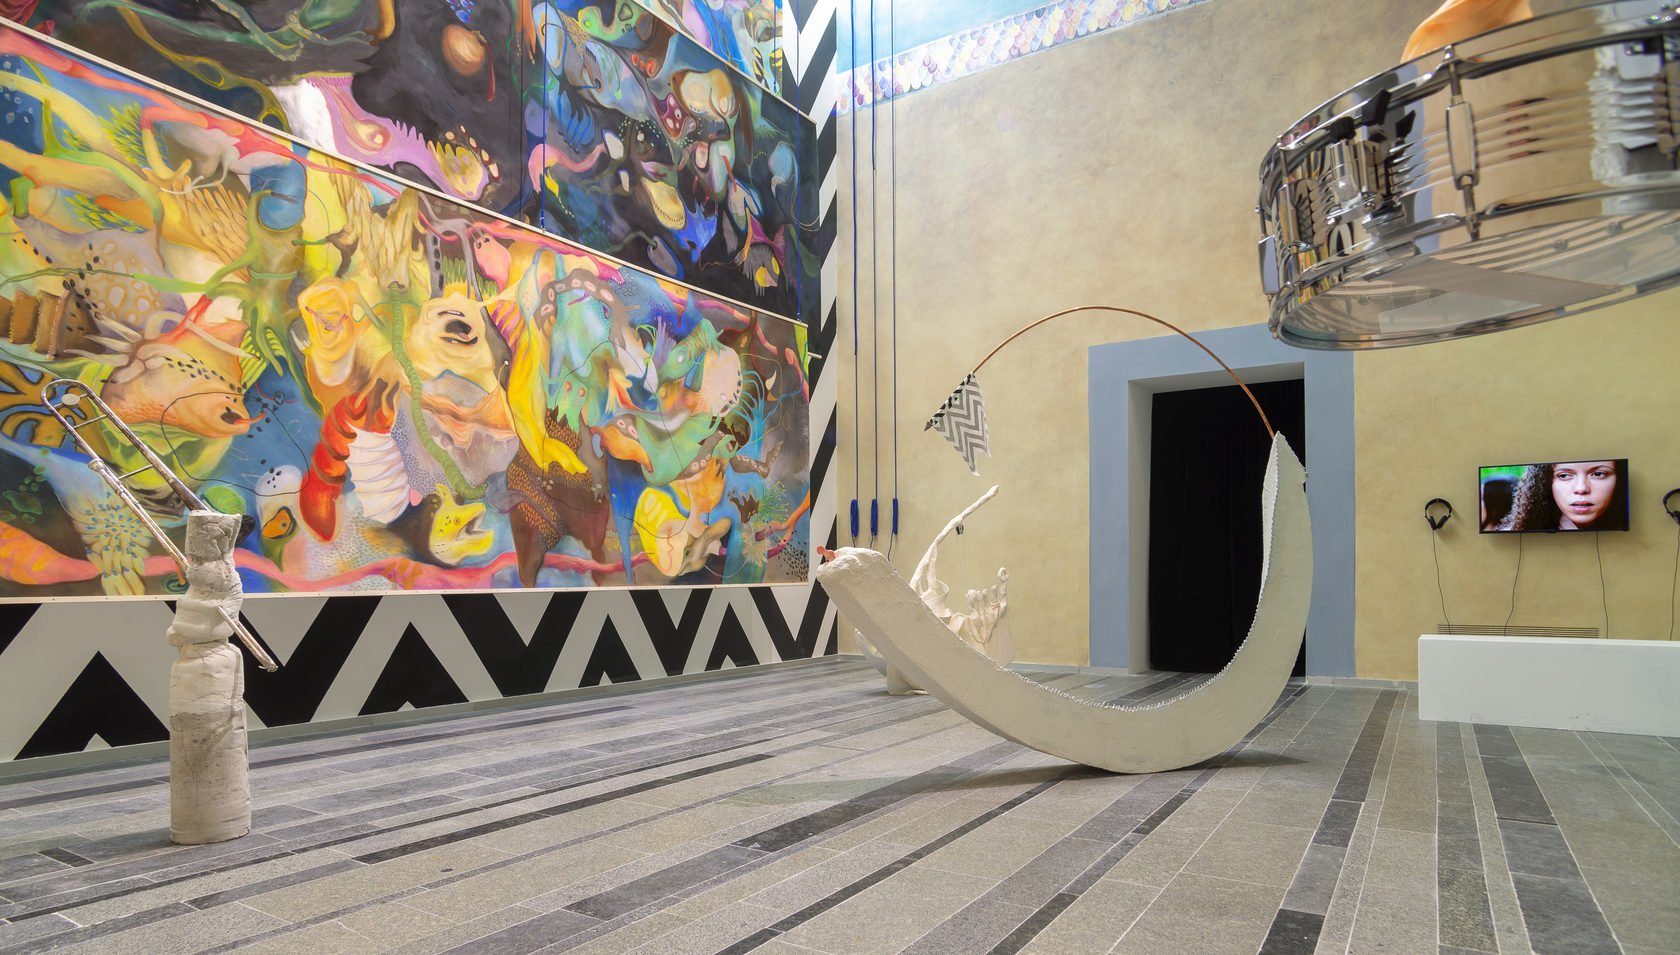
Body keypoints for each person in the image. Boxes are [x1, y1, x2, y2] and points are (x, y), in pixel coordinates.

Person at [1496, 460, 1626, 531]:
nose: (1581, 488)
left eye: (1598, 474)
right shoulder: (1514, 532)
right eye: (1564, 475)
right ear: (1545, 482)